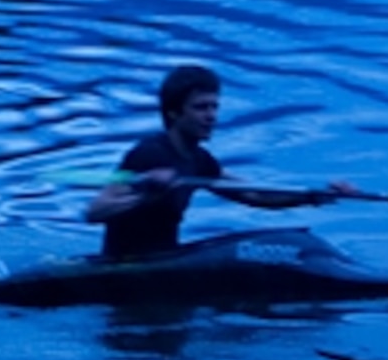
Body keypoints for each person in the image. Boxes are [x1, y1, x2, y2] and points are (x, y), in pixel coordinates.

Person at [83, 63, 364, 259]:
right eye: (200, 107)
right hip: (125, 265)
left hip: (166, 257)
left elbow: (253, 194)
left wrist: (315, 196)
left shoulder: (199, 160)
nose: (211, 116)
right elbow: (95, 211)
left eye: (214, 106)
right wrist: (145, 193)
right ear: (173, 113)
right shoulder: (148, 154)